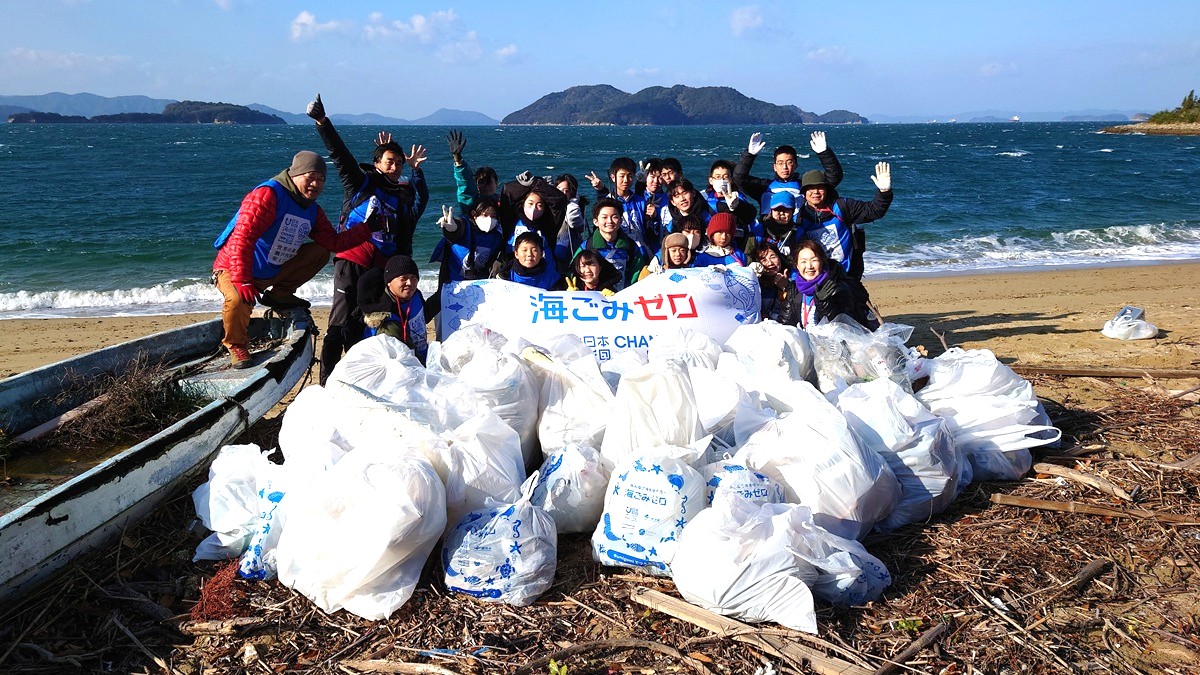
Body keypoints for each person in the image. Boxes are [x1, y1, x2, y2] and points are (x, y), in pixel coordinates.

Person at [212, 150, 377, 368]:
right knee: (238, 299)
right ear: (294, 175)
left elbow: (333, 242)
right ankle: (235, 344)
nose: (315, 184)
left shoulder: (311, 209)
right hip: (233, 269)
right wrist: (242, 278)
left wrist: (367, 229)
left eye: (321, 180)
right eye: (311, 177)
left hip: (271, 270)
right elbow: (242, 237)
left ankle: (280, 295)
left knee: (320, 251)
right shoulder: (268, 195)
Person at [305, 94, 428, 384]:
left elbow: (420, 203)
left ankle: (362, 375)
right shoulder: (360, 184)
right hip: (352, 261)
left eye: (399, 163)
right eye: (389, 161)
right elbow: (341, 156)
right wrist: (324, 123)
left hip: (379, 268)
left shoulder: (400, 196)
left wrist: (416, 171)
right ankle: (327, 382)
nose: (395, 166)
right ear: (377, 163)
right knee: (340, 320)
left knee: (370, 321)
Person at [797, 162, 893, 280]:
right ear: (804, 192)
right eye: (811, 188)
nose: (815, 192)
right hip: (816, 276)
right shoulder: (800, 217)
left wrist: (884, 193)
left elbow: (875, 211)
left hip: (847, 276)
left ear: (826, 189)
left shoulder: (842, 206)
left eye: (820, 187)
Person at [733, 131, 842, 215]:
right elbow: (739, 178)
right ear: (774, 167)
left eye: (789, 162)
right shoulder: (763, 187)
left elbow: (834, 177)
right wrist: (749, 155)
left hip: (797, 236)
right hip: (769, 237)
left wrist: (824, 153)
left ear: (796, 165)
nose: (784, 167)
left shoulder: (804, 186)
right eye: (780, 163)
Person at [783, 239, 875, 330]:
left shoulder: (837, 286)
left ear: (822, 261)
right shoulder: (794, 289)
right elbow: (785, 322)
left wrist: (824, 304)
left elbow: (845, 327)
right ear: (797, 265)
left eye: (814, 260)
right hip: (805, 341)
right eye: (803, 262)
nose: (809, 266)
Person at [356, 254, 428, 363]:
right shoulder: (387, 321)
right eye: (403, 278)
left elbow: (423, 315)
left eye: (413, 278)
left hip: (419, 355)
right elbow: (405, 356)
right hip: (397, 365)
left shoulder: (414, 295)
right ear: (389, 282)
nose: (410, 283)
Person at [575, 197, 647, 290]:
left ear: (621, 220)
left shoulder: (631, 246)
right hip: (595, 297)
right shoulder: (587, 246)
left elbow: (638, 273)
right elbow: (575, 272)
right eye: (604, 217)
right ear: (595, 221)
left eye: (614, 217)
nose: (609, 221)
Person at [584, 157, 656, 250]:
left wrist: (653, 218)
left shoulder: (641, 202)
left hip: (641, 253)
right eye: (622, 176)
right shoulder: (607, 202)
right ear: (613, 177)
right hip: (617, 253)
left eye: (630, 176)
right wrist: (600, 190)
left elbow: (649, 230)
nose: (626, 180)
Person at [431, 200, 504, 286]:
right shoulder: (466, 225)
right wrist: (451, 228)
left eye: (493, 216)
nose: (490, 219)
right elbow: (457, 229)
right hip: (453, 281)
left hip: (479, 283)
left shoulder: (497, 235)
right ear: (474, 214)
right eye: (485, 215)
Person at [492, 231, 563, 290]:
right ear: (516, 254)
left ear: (541, 254)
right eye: (524, 250)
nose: (529, 254)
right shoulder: (506, 273)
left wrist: (569, 292)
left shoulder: (551, 276)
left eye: (534, 250)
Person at [701, 159, 757, 233]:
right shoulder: (703, 196)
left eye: (725, 177)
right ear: (711, 180)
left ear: (731, 180)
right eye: (718, 177)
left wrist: (737, 206)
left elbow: (749, 216)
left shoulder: (737, 197)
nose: (721, 180)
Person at [745, 191, 803, 260]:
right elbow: (747, 255)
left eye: (786, 209)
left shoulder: (799, 233)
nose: (781, 213)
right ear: (771, 211)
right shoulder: (758, 232)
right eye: (777, 209)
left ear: (792, 211)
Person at [753, 242, 799, 324]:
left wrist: (787, 286)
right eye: (764, 260)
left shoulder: (794, 276)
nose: (770, 263)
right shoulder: (755, 282)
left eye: (773, 257)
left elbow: (800, 305)